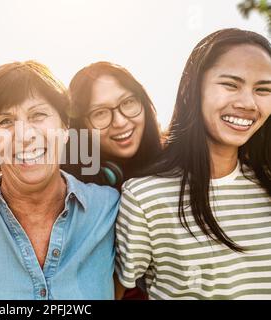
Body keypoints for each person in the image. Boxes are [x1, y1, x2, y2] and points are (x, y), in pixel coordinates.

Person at [0, 61, 120, 299]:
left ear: (65, 128)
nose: (25, 136)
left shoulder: (109, 208)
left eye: (38, 115)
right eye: (5, 121)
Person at [116, 28, 271, 299]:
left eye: (263, 89)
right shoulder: (144, 197)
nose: (248, 103)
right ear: (191, 89)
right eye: (230, 84)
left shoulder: (266, 184)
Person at [63, 61, 162, 191]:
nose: (120, 122)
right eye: (100, 113)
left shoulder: (176, 167)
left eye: (128, 102)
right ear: (82, 126)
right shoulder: (69, 189)